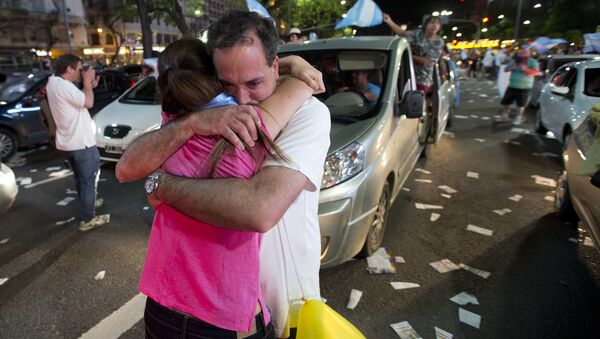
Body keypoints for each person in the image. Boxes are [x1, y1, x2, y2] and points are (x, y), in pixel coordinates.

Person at [116, 10, 331, 339]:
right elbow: (128, 167)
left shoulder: (306, 114)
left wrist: (162, 184)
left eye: (253, 83)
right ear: (211, 77)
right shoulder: (222, 117)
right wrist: (296, 69)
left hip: (204, 300)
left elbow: (258, 209)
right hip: (217, 310)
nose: (241, 99)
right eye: (227, 84)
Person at [45, 54, 109, 231]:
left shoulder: (53, 82)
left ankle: (88, 203)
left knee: (81, 179)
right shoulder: (64, 86)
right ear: (69, 69)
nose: (82, 72)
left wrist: (88, 85)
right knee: (88, 180)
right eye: (80, 69)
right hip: (81, 143)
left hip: (67, 143)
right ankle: (87, 219)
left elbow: (78, 98)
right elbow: (88, 102)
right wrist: (88, 83)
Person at [383, 13, 444, 94]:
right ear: (425, 24)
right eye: (432, 22)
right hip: (405, 75)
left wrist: (407, 56)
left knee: (416, 102)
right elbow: (402, 33)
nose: (435, 25)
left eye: (438, 23)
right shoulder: (418, 34)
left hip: (422, 80)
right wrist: (389, 21)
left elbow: (426, 61)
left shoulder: (439, 42)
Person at [498, 49, 539, 125]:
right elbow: (505, 69)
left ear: (529, 54)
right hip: (512, 85)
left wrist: (525, 69)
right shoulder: (515, 61)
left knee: (521, 104)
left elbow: (536, 72)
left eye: (524, 53)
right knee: (506, 101)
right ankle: (504, 116)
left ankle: (518, 117)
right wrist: (512, 67)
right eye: (521, 53)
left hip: (525, 86)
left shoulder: (532, 62)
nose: (522, 54)